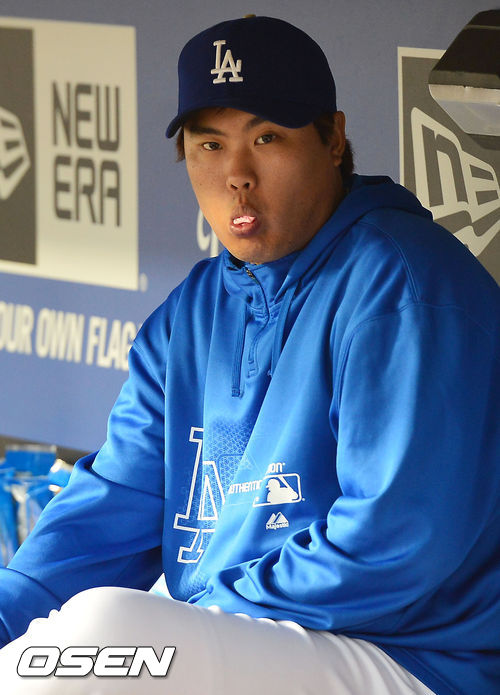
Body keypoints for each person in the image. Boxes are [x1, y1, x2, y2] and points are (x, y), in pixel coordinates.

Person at [0, 15, 498, 695]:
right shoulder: (193, 312)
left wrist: (199, 612)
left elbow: (397, 543)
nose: (236, 175)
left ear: (333, 139)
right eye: (209, 144)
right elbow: (110, 509)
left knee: (106, 633)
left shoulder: (403, 285)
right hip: (252, 630)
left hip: (416, 656)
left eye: (267, 138)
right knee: (75, 640)